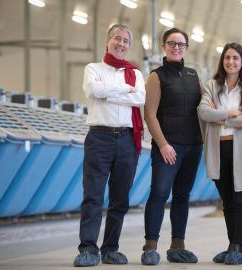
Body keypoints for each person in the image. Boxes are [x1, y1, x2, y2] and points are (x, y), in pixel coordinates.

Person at [73, 24, 145, 267]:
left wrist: (109, 93)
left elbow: (140, 98)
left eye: (126, 41)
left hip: (127, 139)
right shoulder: (93, 68)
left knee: (119, 198)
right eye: (117, 39)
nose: (121, 44)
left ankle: (111, 248)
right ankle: (88, 249)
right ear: (108, 41)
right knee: (92, 195)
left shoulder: (135, 73)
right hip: (99, 137)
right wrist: (125, 89)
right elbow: (94, 89)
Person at [141, 28, 203, 265]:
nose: (176, 48)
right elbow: (149, 114)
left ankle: (178, 246)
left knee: (182, 196)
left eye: (181, 44)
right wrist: (163, 144)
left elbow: (206, 104)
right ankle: (151, 246)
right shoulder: (157, 76)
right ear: (164, 47)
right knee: (159, 194)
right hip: (168, 146)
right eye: (171, 44)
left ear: (186, 48)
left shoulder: (193, 75)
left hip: (193, 147)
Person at [198, 43, 242, 265]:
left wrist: (219, 116)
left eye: (235, 58)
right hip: (218, 148)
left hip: (240, 149)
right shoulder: (212, 86)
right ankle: (231, 244)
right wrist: (231, 113)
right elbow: (203, 112)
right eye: (227, 57)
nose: (231, 62)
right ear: (222, 61)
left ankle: (238, 247)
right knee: (227, 200)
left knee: (239, 198)